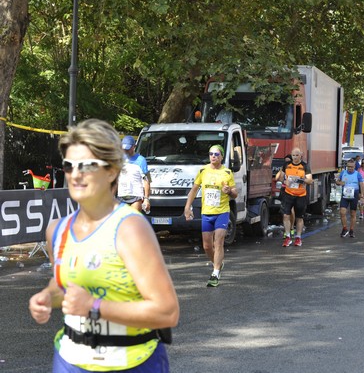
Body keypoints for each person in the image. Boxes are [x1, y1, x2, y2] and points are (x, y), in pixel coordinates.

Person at [28, 119, 179, 372]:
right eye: (69, 166)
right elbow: (64, 287)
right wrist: (46, 297)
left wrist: (94, 307)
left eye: (87, 165)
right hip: (71, 360)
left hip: (132, 362)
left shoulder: (130, 228)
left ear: (111, 171)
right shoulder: (57, 230)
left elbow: (167, 312)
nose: (75, 174)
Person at [184, 144, 238, 287]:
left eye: (216, 154)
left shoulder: (227, 172)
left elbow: (235, 193)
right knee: (207, 246)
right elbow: (194, 190)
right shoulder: (203, 171)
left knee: (218, 242)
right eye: (211, 154)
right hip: (207, 212)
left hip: (222, 212)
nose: (213, 156)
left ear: (221, 156)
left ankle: (215, 273)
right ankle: (218, 264)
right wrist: (187, 207)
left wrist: (229, 191)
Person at [279, 148, 314, 247]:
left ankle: (298, 238)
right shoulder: (286, 165)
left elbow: (310, 181)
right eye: (293, 155)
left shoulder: (305, 166)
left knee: (299, 217)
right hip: (288, 193)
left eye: (297, 155)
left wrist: (301, 180)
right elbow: (281, 177)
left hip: (301, 195)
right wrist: (285, 182)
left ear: (300, 155)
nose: (295, 157)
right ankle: (288, 237)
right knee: (286, 215)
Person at [120, 135, 151, 213]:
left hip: (136, 196)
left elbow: (147, 180)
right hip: (121, 196)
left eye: (128, 148)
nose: (126, 151)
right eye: (124, 149)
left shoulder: (141, 160)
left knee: (133, 219)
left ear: (134, 147)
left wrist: (146, 199)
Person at [336, 160, 364, 238]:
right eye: (349, 166)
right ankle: (345, 228)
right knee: (342, 212)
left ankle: (351, 230)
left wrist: (362, 195)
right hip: (345, 195)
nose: (350, 168)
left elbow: (361, 184)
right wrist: (339, 183)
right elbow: (337, 181)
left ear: (354, 166)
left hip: (354, 195)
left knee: (353, 213)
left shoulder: (357, 174)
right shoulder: (343, 173)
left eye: (352, 167)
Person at [276, 154, 296, 237]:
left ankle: (291, 227)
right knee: (285, 212)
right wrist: (281, 171)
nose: (287, 163)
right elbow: (277, 178)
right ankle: (287, 230)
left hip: (293, 191)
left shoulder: (294, 169)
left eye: (288, 161)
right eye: (285, 161)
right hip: (284, 191)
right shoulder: (284, 169)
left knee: (291, 210)